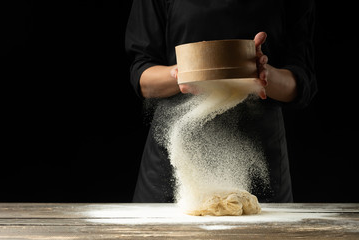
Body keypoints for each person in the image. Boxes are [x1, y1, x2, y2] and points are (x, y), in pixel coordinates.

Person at [125, 0, 317, 203]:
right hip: (175, 155)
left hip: (259, 160)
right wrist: (186, 72)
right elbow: (143, 75)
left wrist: (263, 76)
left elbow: (302, 80)